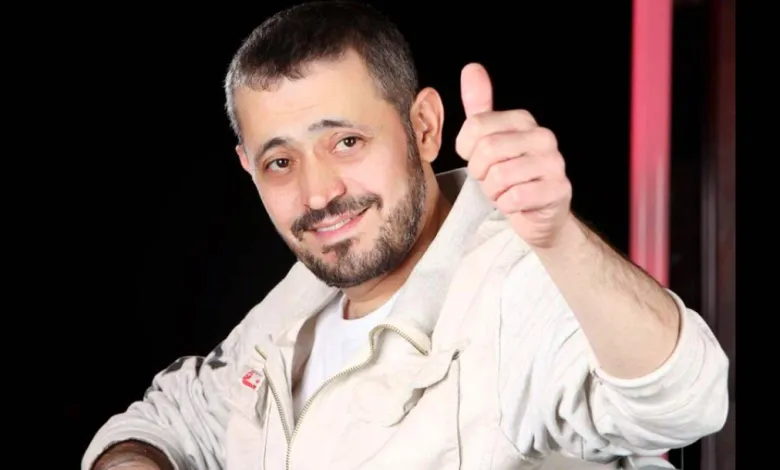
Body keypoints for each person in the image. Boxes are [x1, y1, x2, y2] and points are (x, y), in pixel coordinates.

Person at [82, 2, 729, 469]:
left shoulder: (513, 286)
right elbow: (170, 420)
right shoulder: (294, 306)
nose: (317, 193)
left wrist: (559, 239)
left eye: (346, 141)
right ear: (248, 168)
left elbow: (683, 403)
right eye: (280, 161)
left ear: (424, 127)